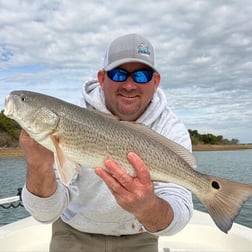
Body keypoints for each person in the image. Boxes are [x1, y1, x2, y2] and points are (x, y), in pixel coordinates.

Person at [20, 33, 193, 252]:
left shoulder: (171, 128)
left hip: (140, 235)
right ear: (102, 78)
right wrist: (38, 166)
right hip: (73, 232)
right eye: (119, 74)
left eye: (141, 76)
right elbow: (45, 214)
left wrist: (147, 208)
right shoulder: (71, 115)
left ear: (155, 82)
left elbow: (178, 210)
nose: (129, 85)